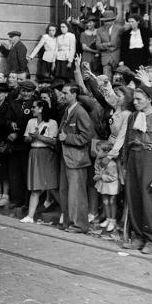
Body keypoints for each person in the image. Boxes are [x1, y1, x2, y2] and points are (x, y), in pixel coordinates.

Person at [123, 86, 152, 254]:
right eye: (134, 99)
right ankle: (138, 236)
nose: (134, 102)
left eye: (138, 99)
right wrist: (124, 165)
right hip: (133, 159)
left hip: (151, 160)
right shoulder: (133, 117)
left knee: (150, 201)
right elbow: (127, 141)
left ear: (149, 99)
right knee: (134, 198)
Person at [58, 83, 95, 233]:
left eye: (65, 93)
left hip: (76, 159)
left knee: (76, 193)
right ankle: (69, 222)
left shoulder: (80, 112)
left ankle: (80, 225)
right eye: (62, 93)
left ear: (74, 95)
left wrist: (67, 138)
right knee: (65, 192)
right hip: (67, 157)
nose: (62, 95)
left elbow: (87, 136)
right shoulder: (67, 110)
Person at [21, 99, 59, 223]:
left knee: (51, 185)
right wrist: (30, 138)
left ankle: (66, 212)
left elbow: (53, 141)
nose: (32, 109)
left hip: (46, 154)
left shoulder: (52, 123)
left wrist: (39, 137)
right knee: (35, 186)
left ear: (41, 108)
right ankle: (30, 216)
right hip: (33, 152)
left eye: (34, 107)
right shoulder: (31, 121)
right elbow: (26, 138)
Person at [6, 79, 36, 211]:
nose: (25, 94)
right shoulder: (15, 103)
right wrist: (10, 123)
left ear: (33, 92)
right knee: (14, 173)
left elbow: (31, 122)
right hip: (14, 144)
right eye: (23, 90)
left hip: (26, 144)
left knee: (26, 173)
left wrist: (17, 134)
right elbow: (8, 118)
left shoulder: (35, 104)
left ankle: (26, 201)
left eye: (28, 91)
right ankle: (16, 199)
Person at [93, 140, 120, 233]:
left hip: (111, 186)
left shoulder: (112, 164)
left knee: (112, 202)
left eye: (98, 151)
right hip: (104, 185)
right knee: (105, 201)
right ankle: (108, 219)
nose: (96, 152)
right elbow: (97, 168)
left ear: (106, 152)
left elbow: (113, 177)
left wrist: (100, 176)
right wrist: (97, 173)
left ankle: (113, 220)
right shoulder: (98, 160)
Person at [96, 10, 123, 80]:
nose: (108, 23)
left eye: (110, 21)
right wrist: (107, 44)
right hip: (105, 58)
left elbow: (123, 42)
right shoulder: (99, 30)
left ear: (113, 20)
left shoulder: (119, 29)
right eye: (106, 21)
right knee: (106, 80)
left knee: (118, 80)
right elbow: (98, 45)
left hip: (117, 57)